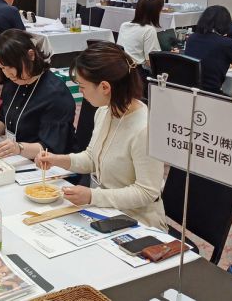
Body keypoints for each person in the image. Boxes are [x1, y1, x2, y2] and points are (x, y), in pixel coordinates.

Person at [35, 42, 167, 230]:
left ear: (105, 87)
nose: (80, 92)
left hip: (139, 221)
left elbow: (146, 192)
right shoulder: (105, 111)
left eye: (82, 86)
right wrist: (57, 160)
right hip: (106, 211)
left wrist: (93, 196)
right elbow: (92, 157)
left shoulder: (144, 129)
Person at [0, 29, 76, 158]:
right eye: (3, 68)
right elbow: (4, 122)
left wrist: (19, 148)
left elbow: (52, 147)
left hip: (46, 163)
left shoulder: (55, 95)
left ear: (31, 55)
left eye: (11, 66)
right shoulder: (14, 81)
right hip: (17, 156)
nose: (7, 74)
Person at [185, 5, 232, 92]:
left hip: (187, 90)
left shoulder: (192, 38)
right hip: (211, 94)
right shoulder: (228, 44)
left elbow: (207, 61)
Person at [116, 0, 163, 69]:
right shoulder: (149, 30)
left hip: (120, 68)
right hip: (137, 71)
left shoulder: (124, 25)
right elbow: (151, 62)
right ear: (155, 12)